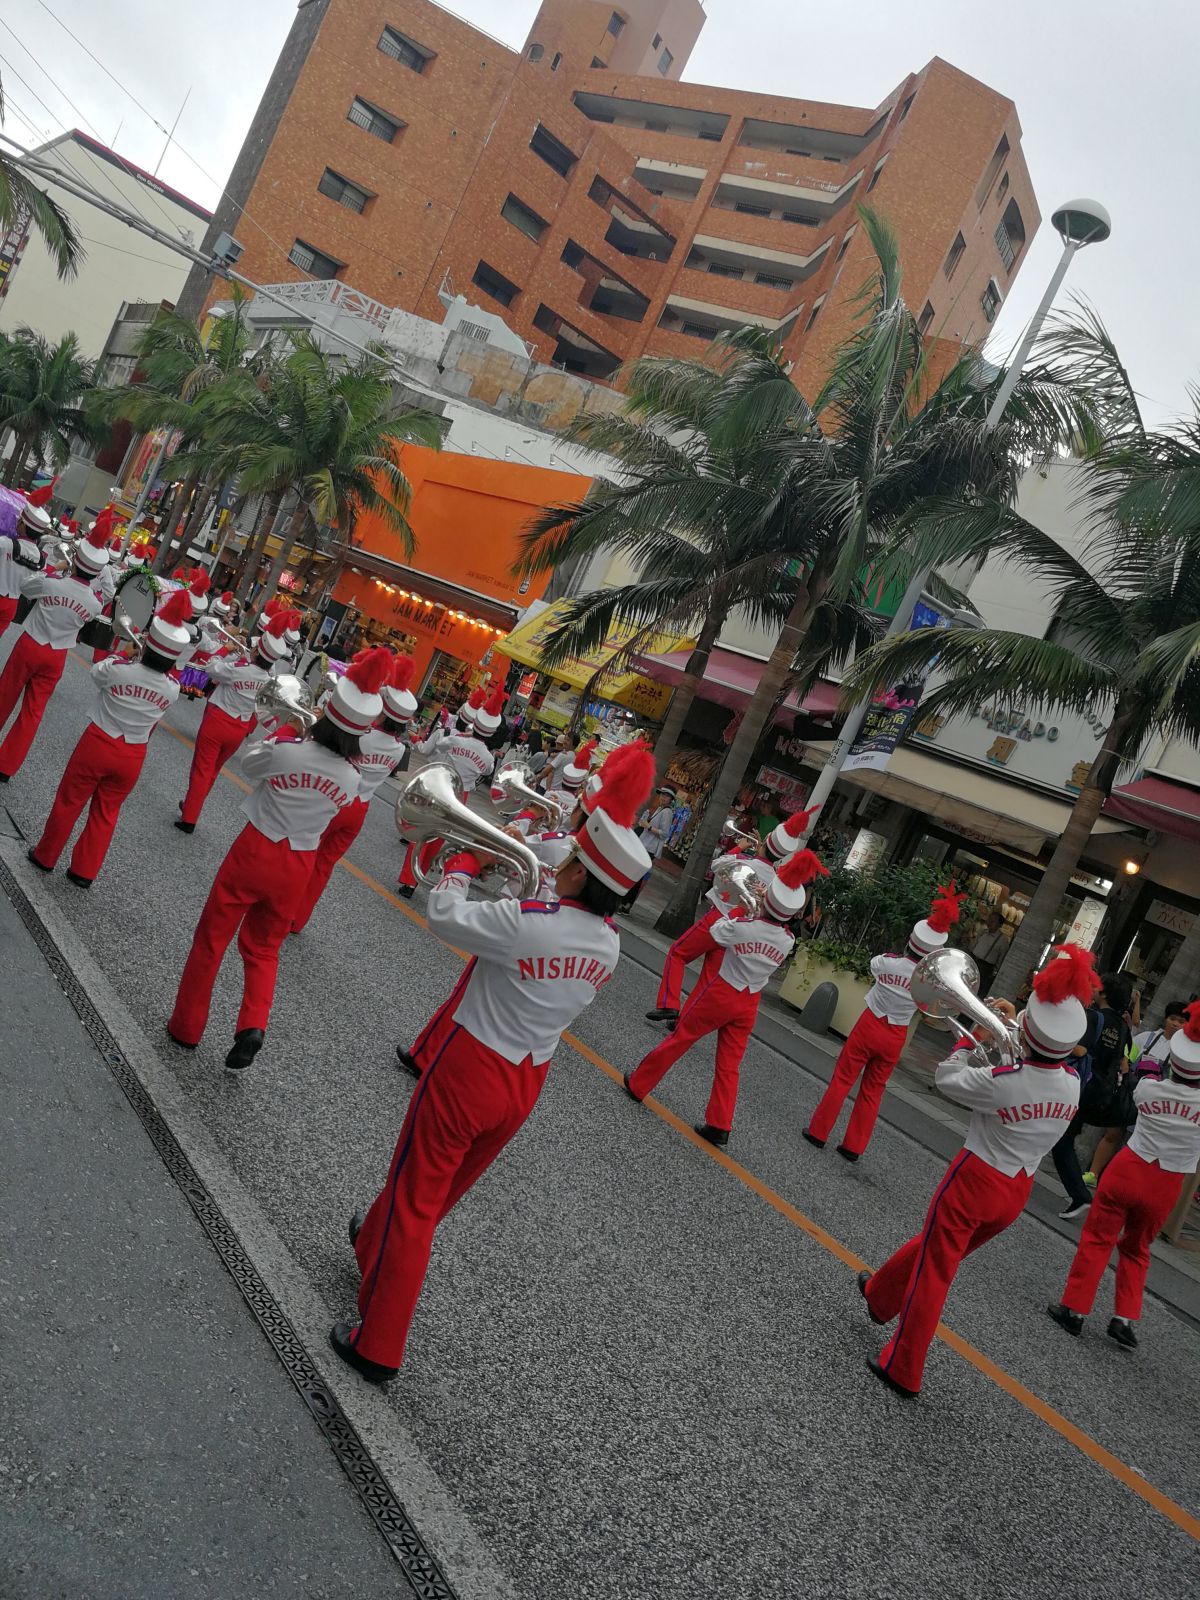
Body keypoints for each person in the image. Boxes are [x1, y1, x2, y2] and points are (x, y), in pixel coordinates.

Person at [332, 745, 656, 1382]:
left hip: (470, 1064)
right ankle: (373, 1244)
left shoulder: (533, 923)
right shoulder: (609, 944)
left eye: (572, 860)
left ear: (580, 874)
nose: (561, 861)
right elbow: (540, 918)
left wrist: (461, 860)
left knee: (417, 1197)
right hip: (526, 1079)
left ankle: (377, 1343)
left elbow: (445, 915)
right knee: (435, 1194)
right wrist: (524, 870)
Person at [860, 945, 1094, 1398]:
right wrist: (1014, 1030)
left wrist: (975, 1038)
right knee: (936, 1252)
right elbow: (1035, 1062)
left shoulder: (1003, 1081)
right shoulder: (1071, 1086)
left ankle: (903, 1366)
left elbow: (947, 1078)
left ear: (1025, 1029)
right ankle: (880, 1295)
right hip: (1015, 1191)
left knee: (935, 1273)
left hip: (975, 1179)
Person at [166, 667, 373, 1072]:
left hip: (257, 847)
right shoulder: (352, 778)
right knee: (264, 950)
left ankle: (186, 1027)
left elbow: (250, 765)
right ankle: (253, 1025)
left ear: (326, 713)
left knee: (212, 938)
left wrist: (287, 732)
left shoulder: (286, 749)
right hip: (299, 863)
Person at [624, 850, 826, 1147]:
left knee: (681, 1037)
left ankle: (639, 1084)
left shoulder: (744, 925)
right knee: (729, 1064)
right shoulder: (787, 940)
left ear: (768, 902)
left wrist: (742, 909)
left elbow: (718, 931)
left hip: (722, 991)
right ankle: (720, 1123)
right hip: (749, 1003)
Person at [1048, 1001, 1200, 1350]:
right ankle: (1125, 1319)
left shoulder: (1150, 1088)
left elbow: (1141, 1074)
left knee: (1098, 1237)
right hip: (1166, 1184)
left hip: (1129, 1168)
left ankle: (1074, 1310)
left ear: (1175, 1062)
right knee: (1137, 1248)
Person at [27, 592, 194, 885]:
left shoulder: (119, 669)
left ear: (148, 644)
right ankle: (84, 872)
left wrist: (125, 653)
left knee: (70, 800)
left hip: (99, 741)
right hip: (133, 755)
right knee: (106, 813)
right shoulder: (172, 688)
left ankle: (46, 856)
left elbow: (98, 673)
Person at [803, 883, 966, 1161]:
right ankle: (853, 1147)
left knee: (843, 1079)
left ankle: (819, 1132)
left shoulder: (887, 963)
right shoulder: (930, 983)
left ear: (910, 941)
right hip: (896, 1035)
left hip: (870, 1024)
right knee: (873, 1091)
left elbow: (874, 964)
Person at [647, 804, 822, 1025]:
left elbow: (717, 865)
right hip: (739, 929)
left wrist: (739, 847)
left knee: (678, 953)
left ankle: (669, 1003)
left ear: (764, 845)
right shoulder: (776, 881)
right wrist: (760, 848)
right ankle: (685, 1021)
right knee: (708, 978)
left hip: (717, 918)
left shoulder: (745, 860)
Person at [290, 651, 410, 933]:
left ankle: (283, 911)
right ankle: (299, 920)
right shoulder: (400, 748)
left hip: (337, 797)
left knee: (307, 853)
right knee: (324, 865)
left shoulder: (362, 736)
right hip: (360, 809)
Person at [0, 521, 112, 781]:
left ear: (76, 561)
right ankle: (6, 767)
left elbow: (26, 588)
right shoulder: (94, 604)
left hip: (31, 644)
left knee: (5, 694)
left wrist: (55, 570)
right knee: (33, 713)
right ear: (96, 573)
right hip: (57, 656)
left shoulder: (51, 583)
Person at [174, 612, 294, 833]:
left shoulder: (240, 669)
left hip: (218, 721)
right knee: (212, 771)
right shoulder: (270, 682)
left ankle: (189, 817)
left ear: (257, 651)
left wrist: (226, 651)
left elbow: (211, 669)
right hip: (239, 730)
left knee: (201, 769)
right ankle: (192, 805)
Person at [397, 683, 500, 898]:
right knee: (438, 838)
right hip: (461, 796)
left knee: (422, 834)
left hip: (443, 786)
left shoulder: (454, 739)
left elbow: (440, 746)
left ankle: (407, 880)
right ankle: (416, 880)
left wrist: (460, 739)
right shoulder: (489, 758)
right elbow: (487, 769)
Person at [1053, 972, 1134, 1221]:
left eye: (1097, 986)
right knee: (1062, 1136)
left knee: (1061, 1141)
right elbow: (1123, 1060)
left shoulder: (1094, 1017)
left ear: (1104, 993)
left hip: (1080, 1087)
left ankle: (1080, 1196)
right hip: (1100, 1091)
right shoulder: (1122, 1026)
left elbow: (1080, 1049)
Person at [0, 490, 53, 637]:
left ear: (24, 525)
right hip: (12, 604)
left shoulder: (6, 544)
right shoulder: (41, 559)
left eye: (19, 520)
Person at [970, 909, 1010, 994]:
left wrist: (994, 972)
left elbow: (1001, 959)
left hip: (985, 968)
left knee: (975, 990)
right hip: (972, 960)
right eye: (989, 919)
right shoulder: (983, 931)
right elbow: (974, 944)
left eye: (993, 921)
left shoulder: (1003, 940)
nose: (989, 922)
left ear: (1000, 925)